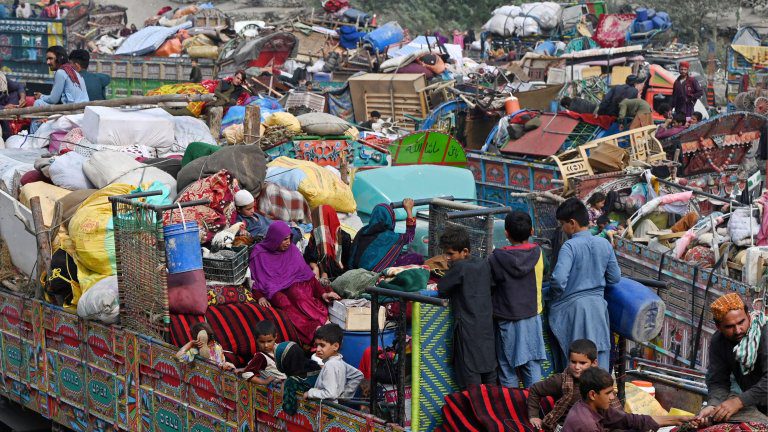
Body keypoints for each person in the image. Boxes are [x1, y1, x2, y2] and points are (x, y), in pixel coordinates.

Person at [550, 198, 621, 371]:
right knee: (597, 360)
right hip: (598, 310)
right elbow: (615, 277)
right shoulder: (604, 243)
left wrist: (556, 295)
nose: (563, 228)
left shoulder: (570, 247)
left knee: (576, 364)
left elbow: (559, 281)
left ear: (572, 223)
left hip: (573, 312)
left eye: (563, 224)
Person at [249, 221, 341, 346]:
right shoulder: (260, 253)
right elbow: (257, 279)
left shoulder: (292, 250)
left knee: (298, 294)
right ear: (274, 239)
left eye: (289, 238)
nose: (288, 242)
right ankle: (313, 332)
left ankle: (322, 324)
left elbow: (307, 275)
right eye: (284, 239)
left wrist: (323, 293)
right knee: (283, 302)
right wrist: (260, 296)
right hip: (275, 290)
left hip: (294, 284)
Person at [489, 211, 547, 388]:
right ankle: (535, 409)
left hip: (506, 318)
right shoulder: (539, 253)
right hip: (532, 316)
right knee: (532, 364)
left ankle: (511, 410)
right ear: (531, 231)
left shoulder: (496, 258)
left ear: (506, 233)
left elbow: (491, 283)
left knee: (507, 367)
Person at [437, 226, 497, 389]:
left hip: (467, 329)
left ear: (464, 251)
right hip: (486, 328)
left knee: (469, 376)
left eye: (450, 254)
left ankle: (474, 412)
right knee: (489, 370)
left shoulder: (460, 267)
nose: (447, 258)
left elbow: (442, 288)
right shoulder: (483, 263)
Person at [695, 293, 767, 424]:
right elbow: (718, 381)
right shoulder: (719, 341)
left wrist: (738, 402)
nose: (738, 330)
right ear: (718, 327)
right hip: (758, 403)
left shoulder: (764, 333)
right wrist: (713, 404)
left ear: (748, 317)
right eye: (729, 326)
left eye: (741, 322)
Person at [528, 340, 623, 432]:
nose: (577, 367)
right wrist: (533, 416)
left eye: (582, 363)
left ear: (594, 363)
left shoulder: (601, 381)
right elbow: (535, 390)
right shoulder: (560, 381)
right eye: (573, 362)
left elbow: (616, 414)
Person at [563, 367, 693, 432]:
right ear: (592, 395)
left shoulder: (595, 408)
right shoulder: (586, 424)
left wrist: (680, 420)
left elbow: (631, 420)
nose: (612, 397)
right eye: (608, 393)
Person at [348, 199, 419, 272]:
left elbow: (352, 254)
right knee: (416, 258)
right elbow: (410, 236)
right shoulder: (390, 237)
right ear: (391, 218)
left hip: (354, 271)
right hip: (372, 276)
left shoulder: (363, 230)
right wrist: (409, 210)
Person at [303, 324, 364, 402]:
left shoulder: (330, 365)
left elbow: (330, 393)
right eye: (317, 345)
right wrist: (344, 396)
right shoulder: (339, 362)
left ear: (335, 346)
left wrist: (310, 393)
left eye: (322, 345)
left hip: (327, 410)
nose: (318, 349)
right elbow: (358, 375)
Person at [304, 205, 352, 280]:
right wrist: (314, 266)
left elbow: (346, 265)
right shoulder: (314, 237)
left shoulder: (343, 238)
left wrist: (325, 273)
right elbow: (306, 259)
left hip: (337, 279)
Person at [237, 320, 287, 385]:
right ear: (256, 340)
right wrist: (263, 382)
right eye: (262, 342)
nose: (266, 345)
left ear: (275, 337)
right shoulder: (260, 356)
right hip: (279, 385)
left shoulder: (281, 349)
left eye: (269, 341)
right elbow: (247, 373)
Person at [0, 72, 27, 140]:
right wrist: (4, 107)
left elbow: (19, 86)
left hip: (5, 105)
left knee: (15, 94)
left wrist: (22, 98)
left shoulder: (2, 78)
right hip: (2, 110)